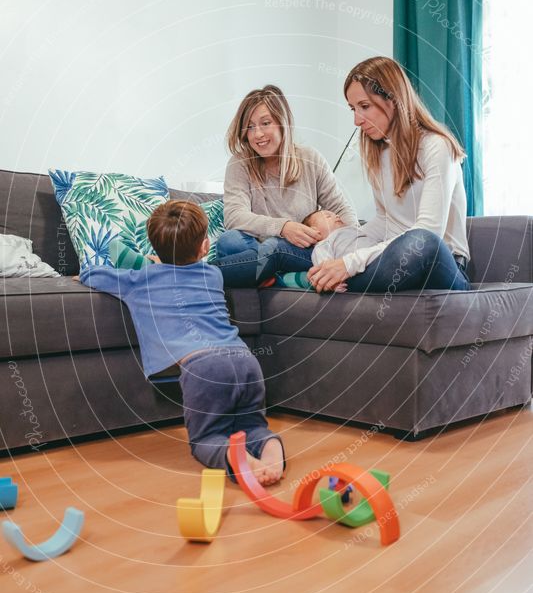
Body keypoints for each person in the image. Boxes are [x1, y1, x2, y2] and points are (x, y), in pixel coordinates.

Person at [78, 201, 285, 486]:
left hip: (204, 368)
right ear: (204, 247)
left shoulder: (140, 280)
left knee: (206, 438)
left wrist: (149, 264)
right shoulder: (213, 275)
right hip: (245, 360)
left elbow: (93, 273)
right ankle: (271, 453)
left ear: (154, 248)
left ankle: (241, 463)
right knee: (252, 426)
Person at [308, 56, 471, 294]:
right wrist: (333, 247)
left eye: (364, 106)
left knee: (421, 242)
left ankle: (331, 282)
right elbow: (385, 221)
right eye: (353, 109)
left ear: (393, 99)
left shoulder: (437, 146)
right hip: (394, 259)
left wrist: (350, 263)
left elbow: (428, 231)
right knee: (330, 245)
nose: (356, 120)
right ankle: (330, 277)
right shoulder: (379, 151)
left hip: (439, 264)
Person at [213, 84, 357, 287]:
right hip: (254, 248)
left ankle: (190, 274)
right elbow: (234, 216)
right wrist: (283, 227)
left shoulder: (310, 159)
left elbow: (341, 208)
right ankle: (278, 279)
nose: (258, 134)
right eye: (250, 127)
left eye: (265, 123)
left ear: (283, 123)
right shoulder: (240, 164)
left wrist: (352, 251)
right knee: (230, 241)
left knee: (275, 248)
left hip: (298, 252)